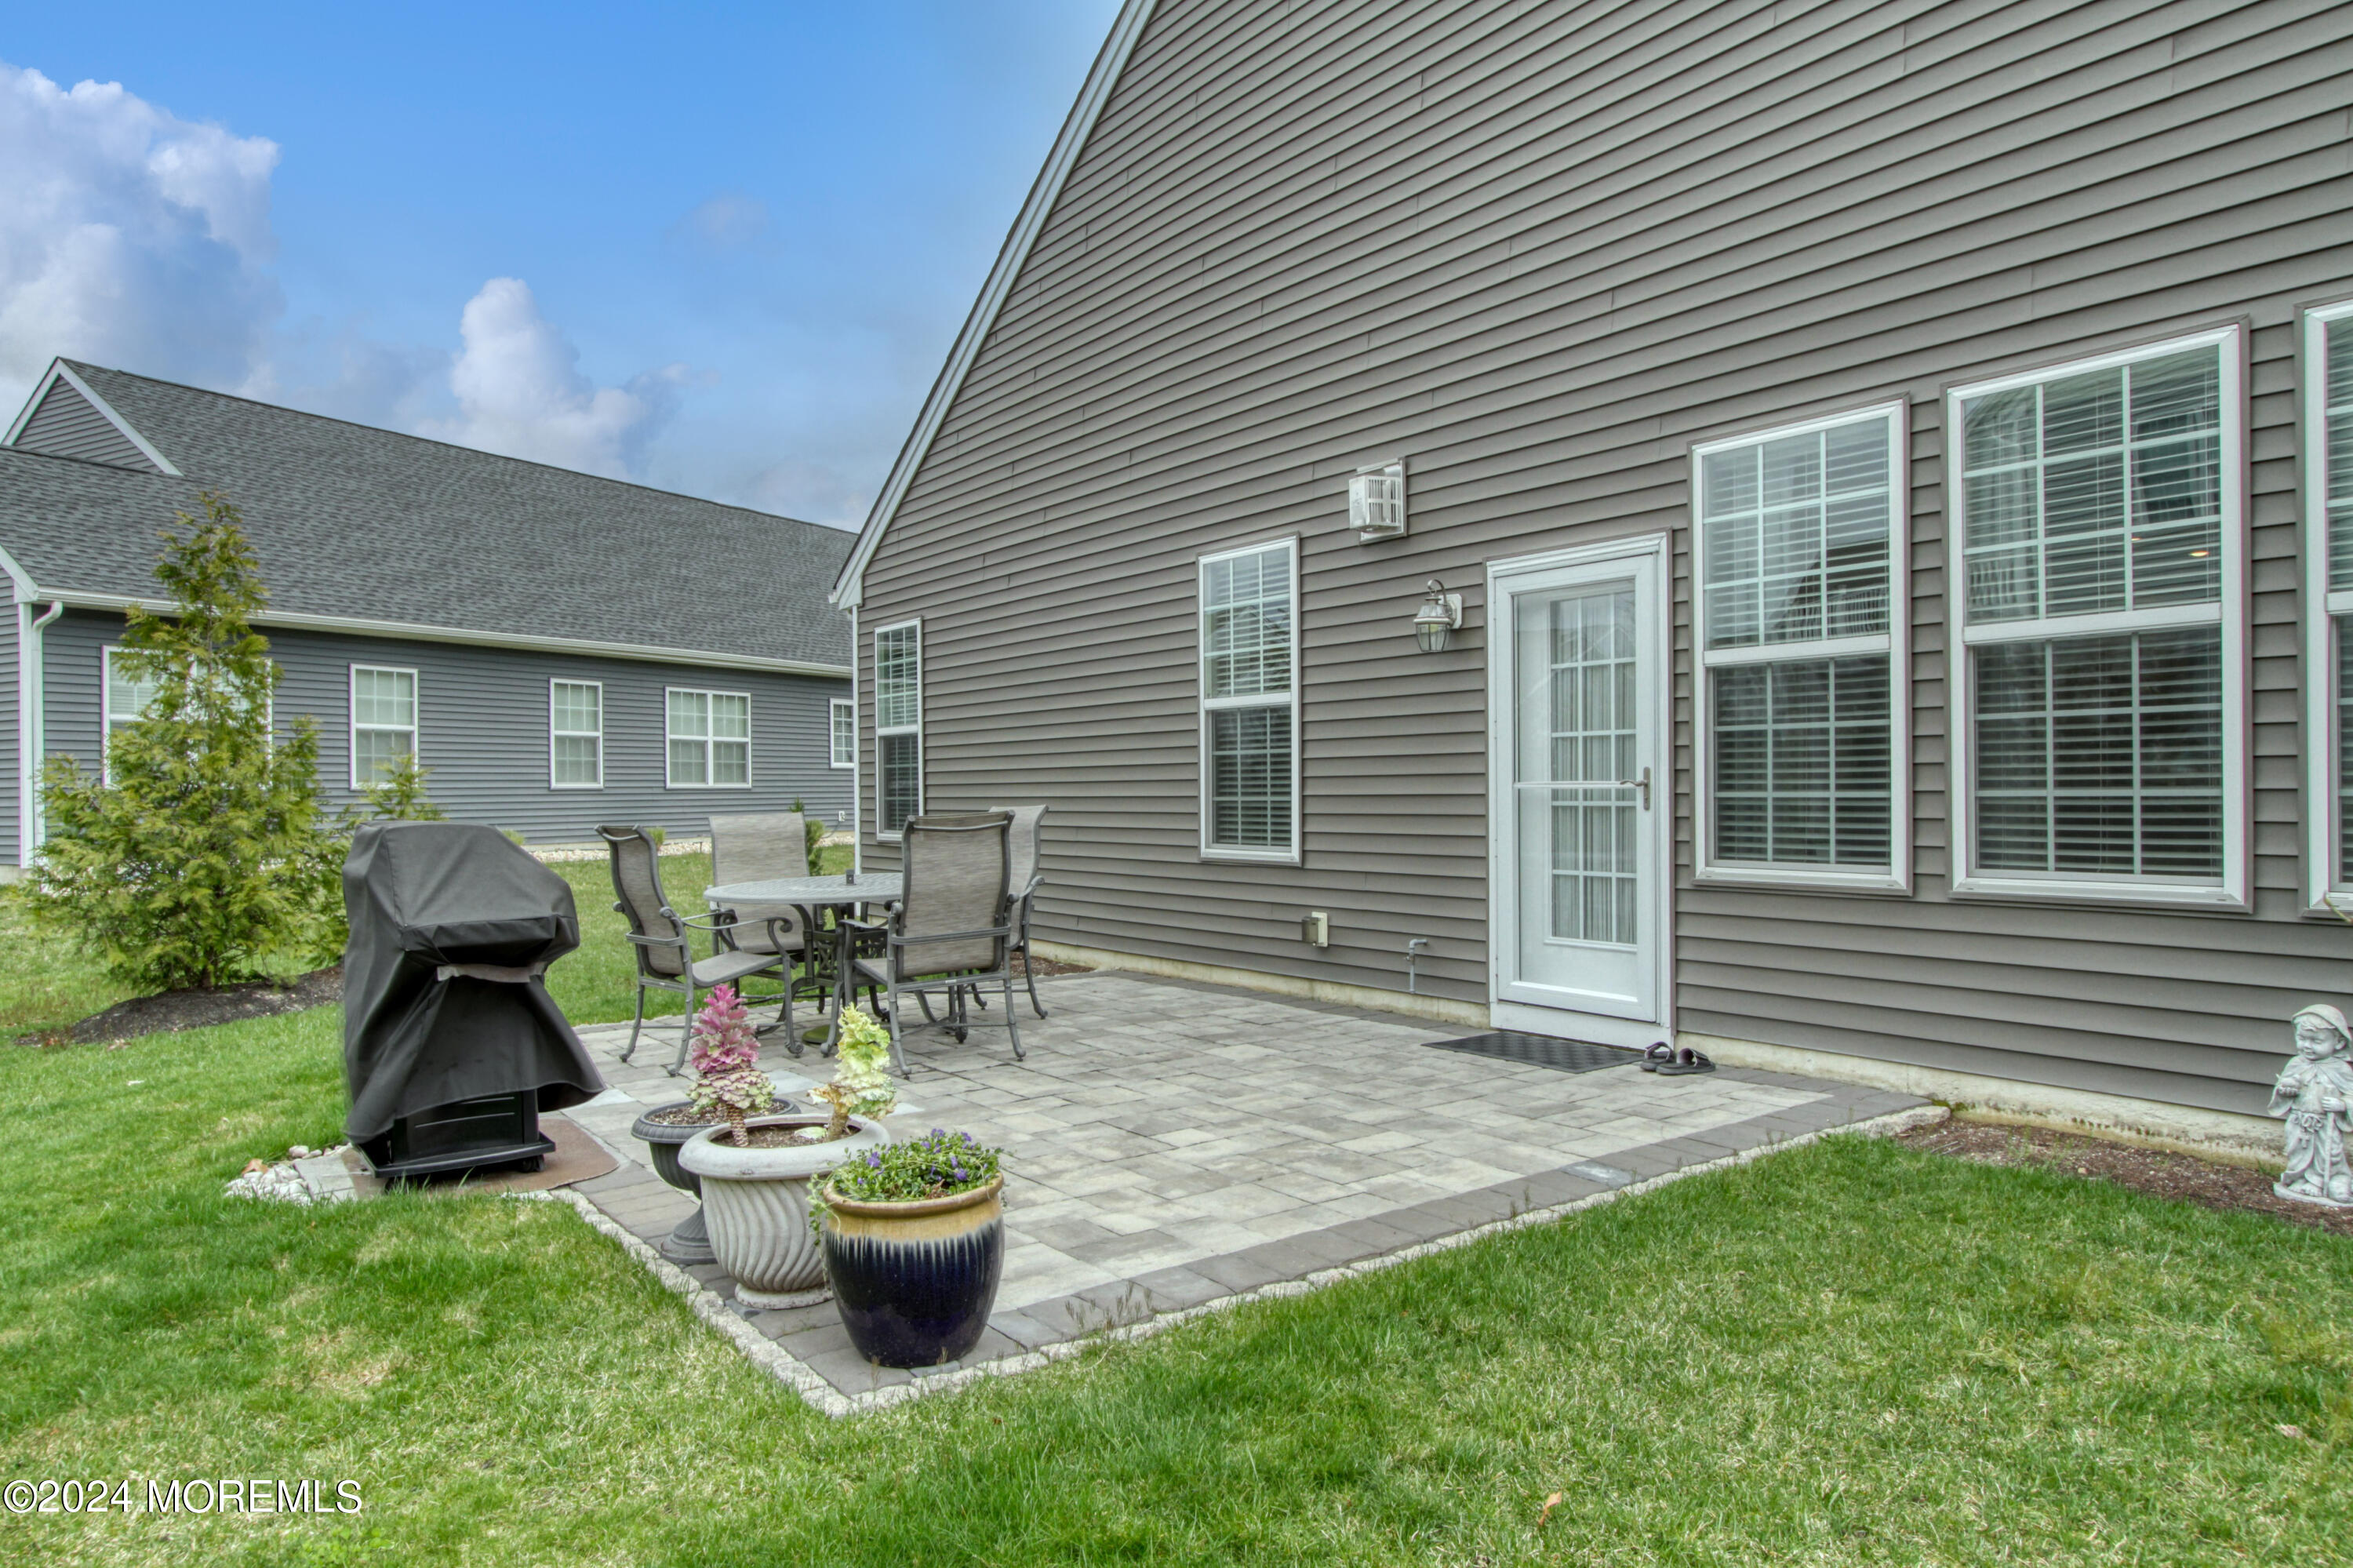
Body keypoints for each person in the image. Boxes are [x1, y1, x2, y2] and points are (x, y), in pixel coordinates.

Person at [2269, 1003, 2353, 1207]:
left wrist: (2342, 1105)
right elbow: (2282, 1092)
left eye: (2316, 1041)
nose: (2307, 1046)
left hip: (2325, 1124)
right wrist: (2285, 1091)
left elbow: (2351, 1094)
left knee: (2327, 1154)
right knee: (2298, 1152)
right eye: (2302, 1038)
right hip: (2298, 1120)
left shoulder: (2341, 1069)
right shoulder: (2296, 1064)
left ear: (2339, 1042)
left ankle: (2320, 1182)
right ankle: (2299, 1178)